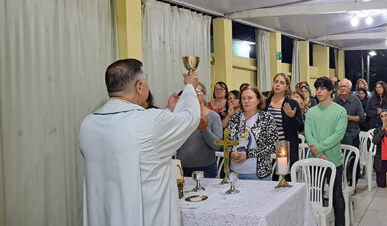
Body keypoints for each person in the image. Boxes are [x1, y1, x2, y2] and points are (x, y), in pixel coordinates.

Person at [79, 59, 200, 226]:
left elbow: (141, 141)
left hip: (104, 216)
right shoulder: (149, 122)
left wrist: (168, 111)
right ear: (140, 87)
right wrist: (189, 88)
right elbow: (190, 118)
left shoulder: (88, 124)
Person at [305, 77, 346, 226]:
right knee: (315, 194)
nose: (319, 91)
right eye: (317, 88)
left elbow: (338, 135)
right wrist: (318, 153)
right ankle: (315, 222)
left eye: (322, 88)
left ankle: (340, 224)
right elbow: (308, 134)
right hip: (315, 160)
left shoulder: (340, 111)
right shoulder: (311, 112)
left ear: (330, 91)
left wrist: (319, 148)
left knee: (336, 194)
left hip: (333, 160)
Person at [226, 86, 278, 180]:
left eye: (250, 98)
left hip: (257, 174)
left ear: (258, 100)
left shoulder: (266, 118)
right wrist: (231, 153)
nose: (246, 101)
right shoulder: (234, 118)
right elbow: (228, 142)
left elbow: (273, 146)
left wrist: (248, 154)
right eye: (243, 98)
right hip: (234, 173)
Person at [176, 83, 222, 178]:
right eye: (190, 93)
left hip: (206, 169)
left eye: (196, 92)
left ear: (205, 95)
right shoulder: (181, 116)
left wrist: (204, 130)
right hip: (182, 167)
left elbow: (218, 146)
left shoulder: (213, 117)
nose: (193, 96)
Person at [264, 73, 304, 168]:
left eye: (282, 83)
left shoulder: (292, 104)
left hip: (285, 146)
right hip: (268, 146)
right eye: (276, 82)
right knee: (270, 178)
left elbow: (301, 127)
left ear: (287, 87)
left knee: (284, 178)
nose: (278, 85)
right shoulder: (265, 103)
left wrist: (292, 116)